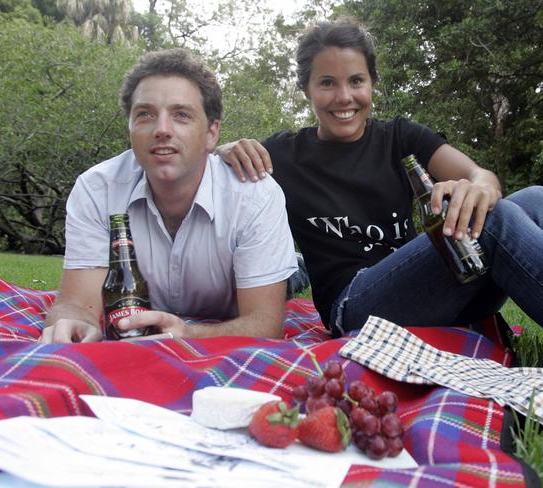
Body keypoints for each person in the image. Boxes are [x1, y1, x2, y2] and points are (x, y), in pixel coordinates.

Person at [216, 19, 543, 338]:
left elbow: (479, 175)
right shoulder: (283, 155)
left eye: (356, 81)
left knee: (534, 198)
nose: (344, 97)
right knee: (495, 221)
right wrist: (225, 149)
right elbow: (207, 173)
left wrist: (479, 189)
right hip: (355, 305)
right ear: (306, 90)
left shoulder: (399, 136)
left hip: (439, 285)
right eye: (327, 83)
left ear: (372, 83)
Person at [39, 48, 297, 344]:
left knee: (289, 276)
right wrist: (72, 324)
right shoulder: (97, 189)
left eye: (181, 115)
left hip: (249, 269)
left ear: (212, 134)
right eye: (145, 114)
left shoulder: (255, 195)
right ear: (130, 127)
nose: (162, 130)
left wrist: (188, 333)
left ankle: (293, 265)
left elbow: (265, 324)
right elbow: (77, 304)